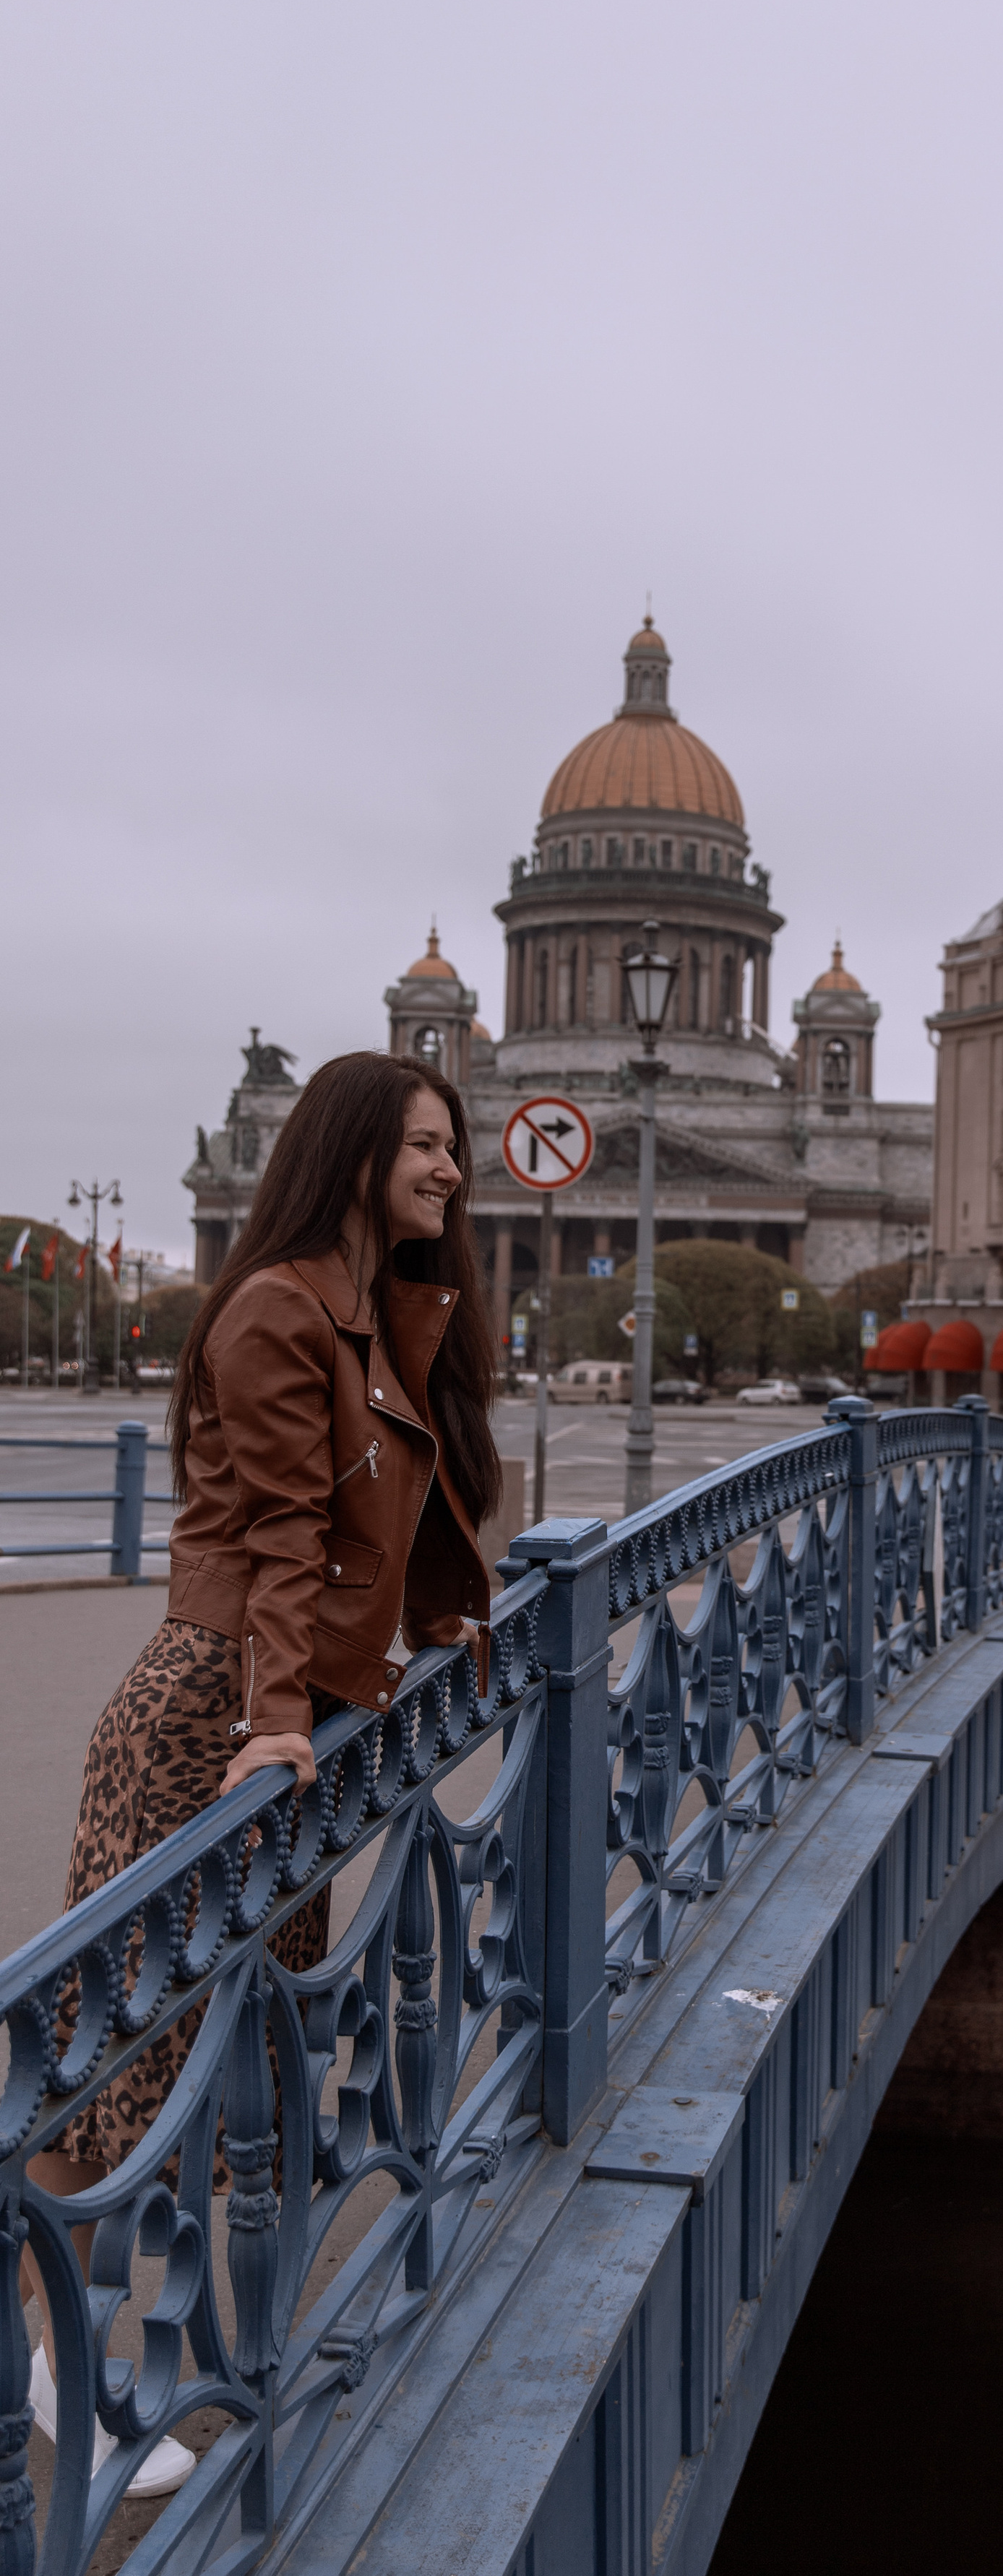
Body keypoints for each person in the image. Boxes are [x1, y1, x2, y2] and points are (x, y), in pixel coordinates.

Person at [26, 1053, 501, 2497]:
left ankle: (169, 2357)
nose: (450, 1170)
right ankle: (64, 2366)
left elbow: (393, 1500)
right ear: (352, 1154)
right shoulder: (276, 1308)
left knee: (231, 2053)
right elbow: (289, 1527)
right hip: (213, 1716)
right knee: (130, 2056)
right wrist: (278, 1714)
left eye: (453, 1146)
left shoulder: (377, 1305)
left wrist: (439, 1617)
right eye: (424, 1146)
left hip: (276, 1718)